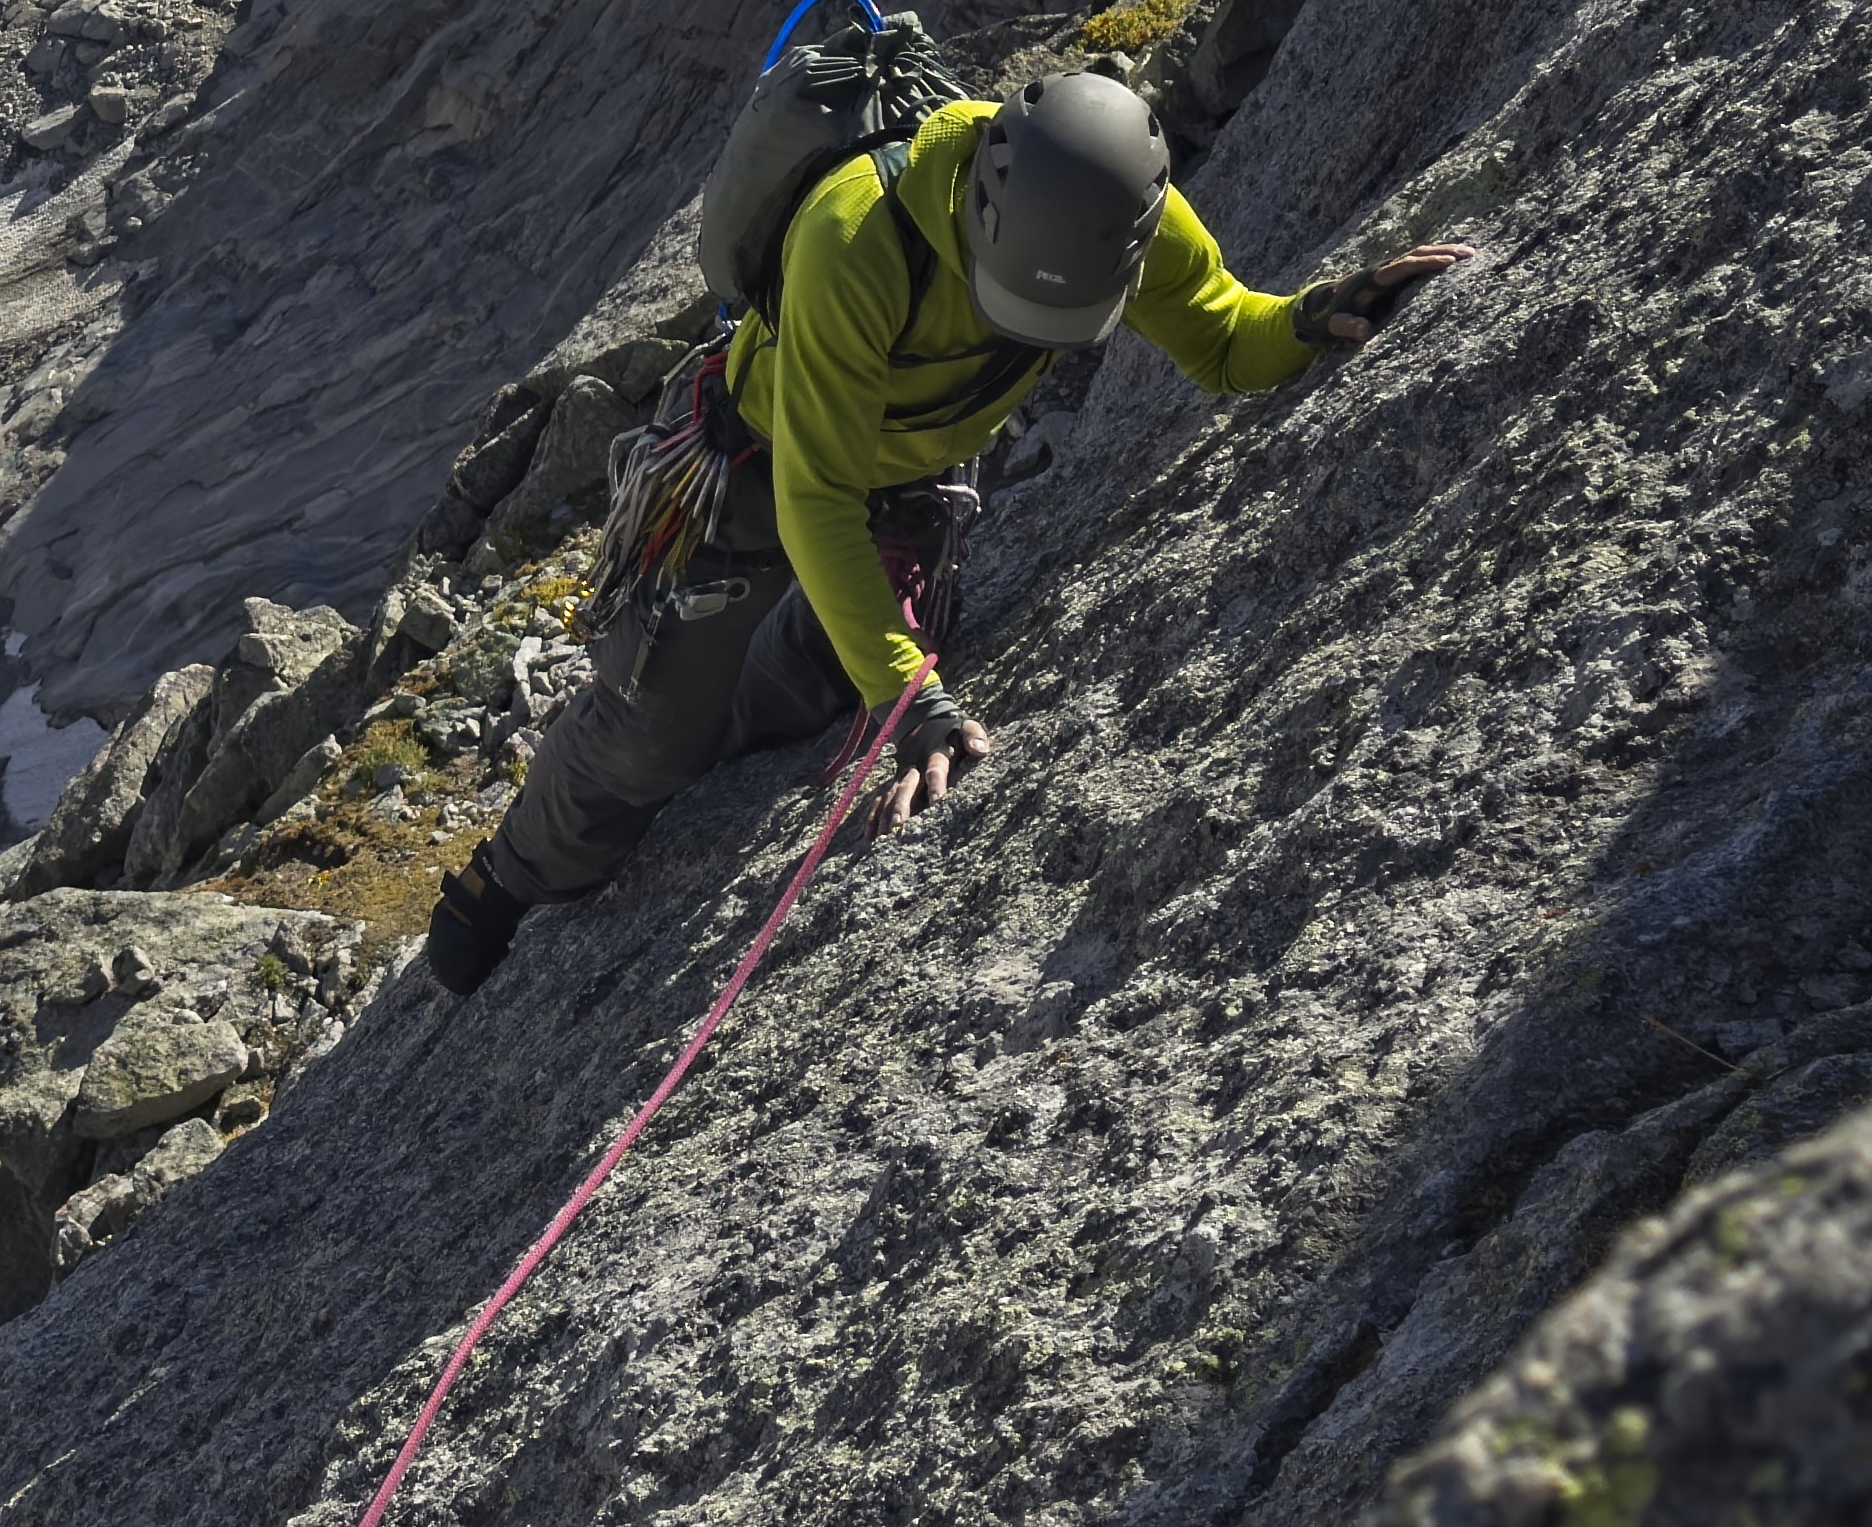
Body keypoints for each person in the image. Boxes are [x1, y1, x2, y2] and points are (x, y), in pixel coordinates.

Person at [425, 70, 1469, 995]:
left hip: (909, 478)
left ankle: (741, 690)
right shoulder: (853, 237)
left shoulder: (1116, 213)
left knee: (821, 683)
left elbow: (1222, 334)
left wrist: (1313, 319)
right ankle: (508, 876)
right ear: (976, 210)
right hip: (752, 470)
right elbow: (815, 496)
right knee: (650, 736)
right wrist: (910, 701)